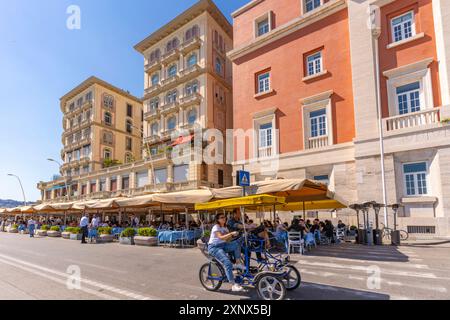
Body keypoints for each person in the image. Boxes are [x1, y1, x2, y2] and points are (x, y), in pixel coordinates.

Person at [208, 213, 245, 292]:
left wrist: (234, 237)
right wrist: (231, 234)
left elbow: (227, 240)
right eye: (221, 217)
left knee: (237, 243)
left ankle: (238, 263)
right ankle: (233, 285)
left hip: (223, 245)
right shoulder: (216, 227)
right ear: (218, 219)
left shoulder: (225, 228)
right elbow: (220, 237)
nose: (224, 218)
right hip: (214, 247)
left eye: (224, 217)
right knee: (227, 263)